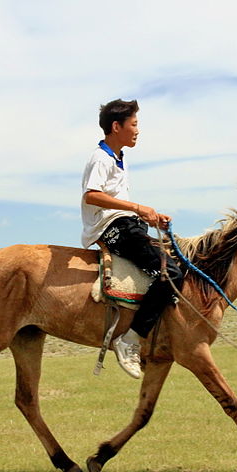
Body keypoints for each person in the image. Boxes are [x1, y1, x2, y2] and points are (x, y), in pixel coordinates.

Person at [81, 99, 184, 379]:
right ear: (117, 127)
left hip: (126, 224)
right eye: (135, 124)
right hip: (113, 229)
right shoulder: (101, 158)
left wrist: (151, 217)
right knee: (171, 273)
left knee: (175, 263)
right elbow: (91, 195)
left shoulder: (117, 158)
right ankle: (130, 339)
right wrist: (138, 208)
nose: (138, 131)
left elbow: (116, 200)